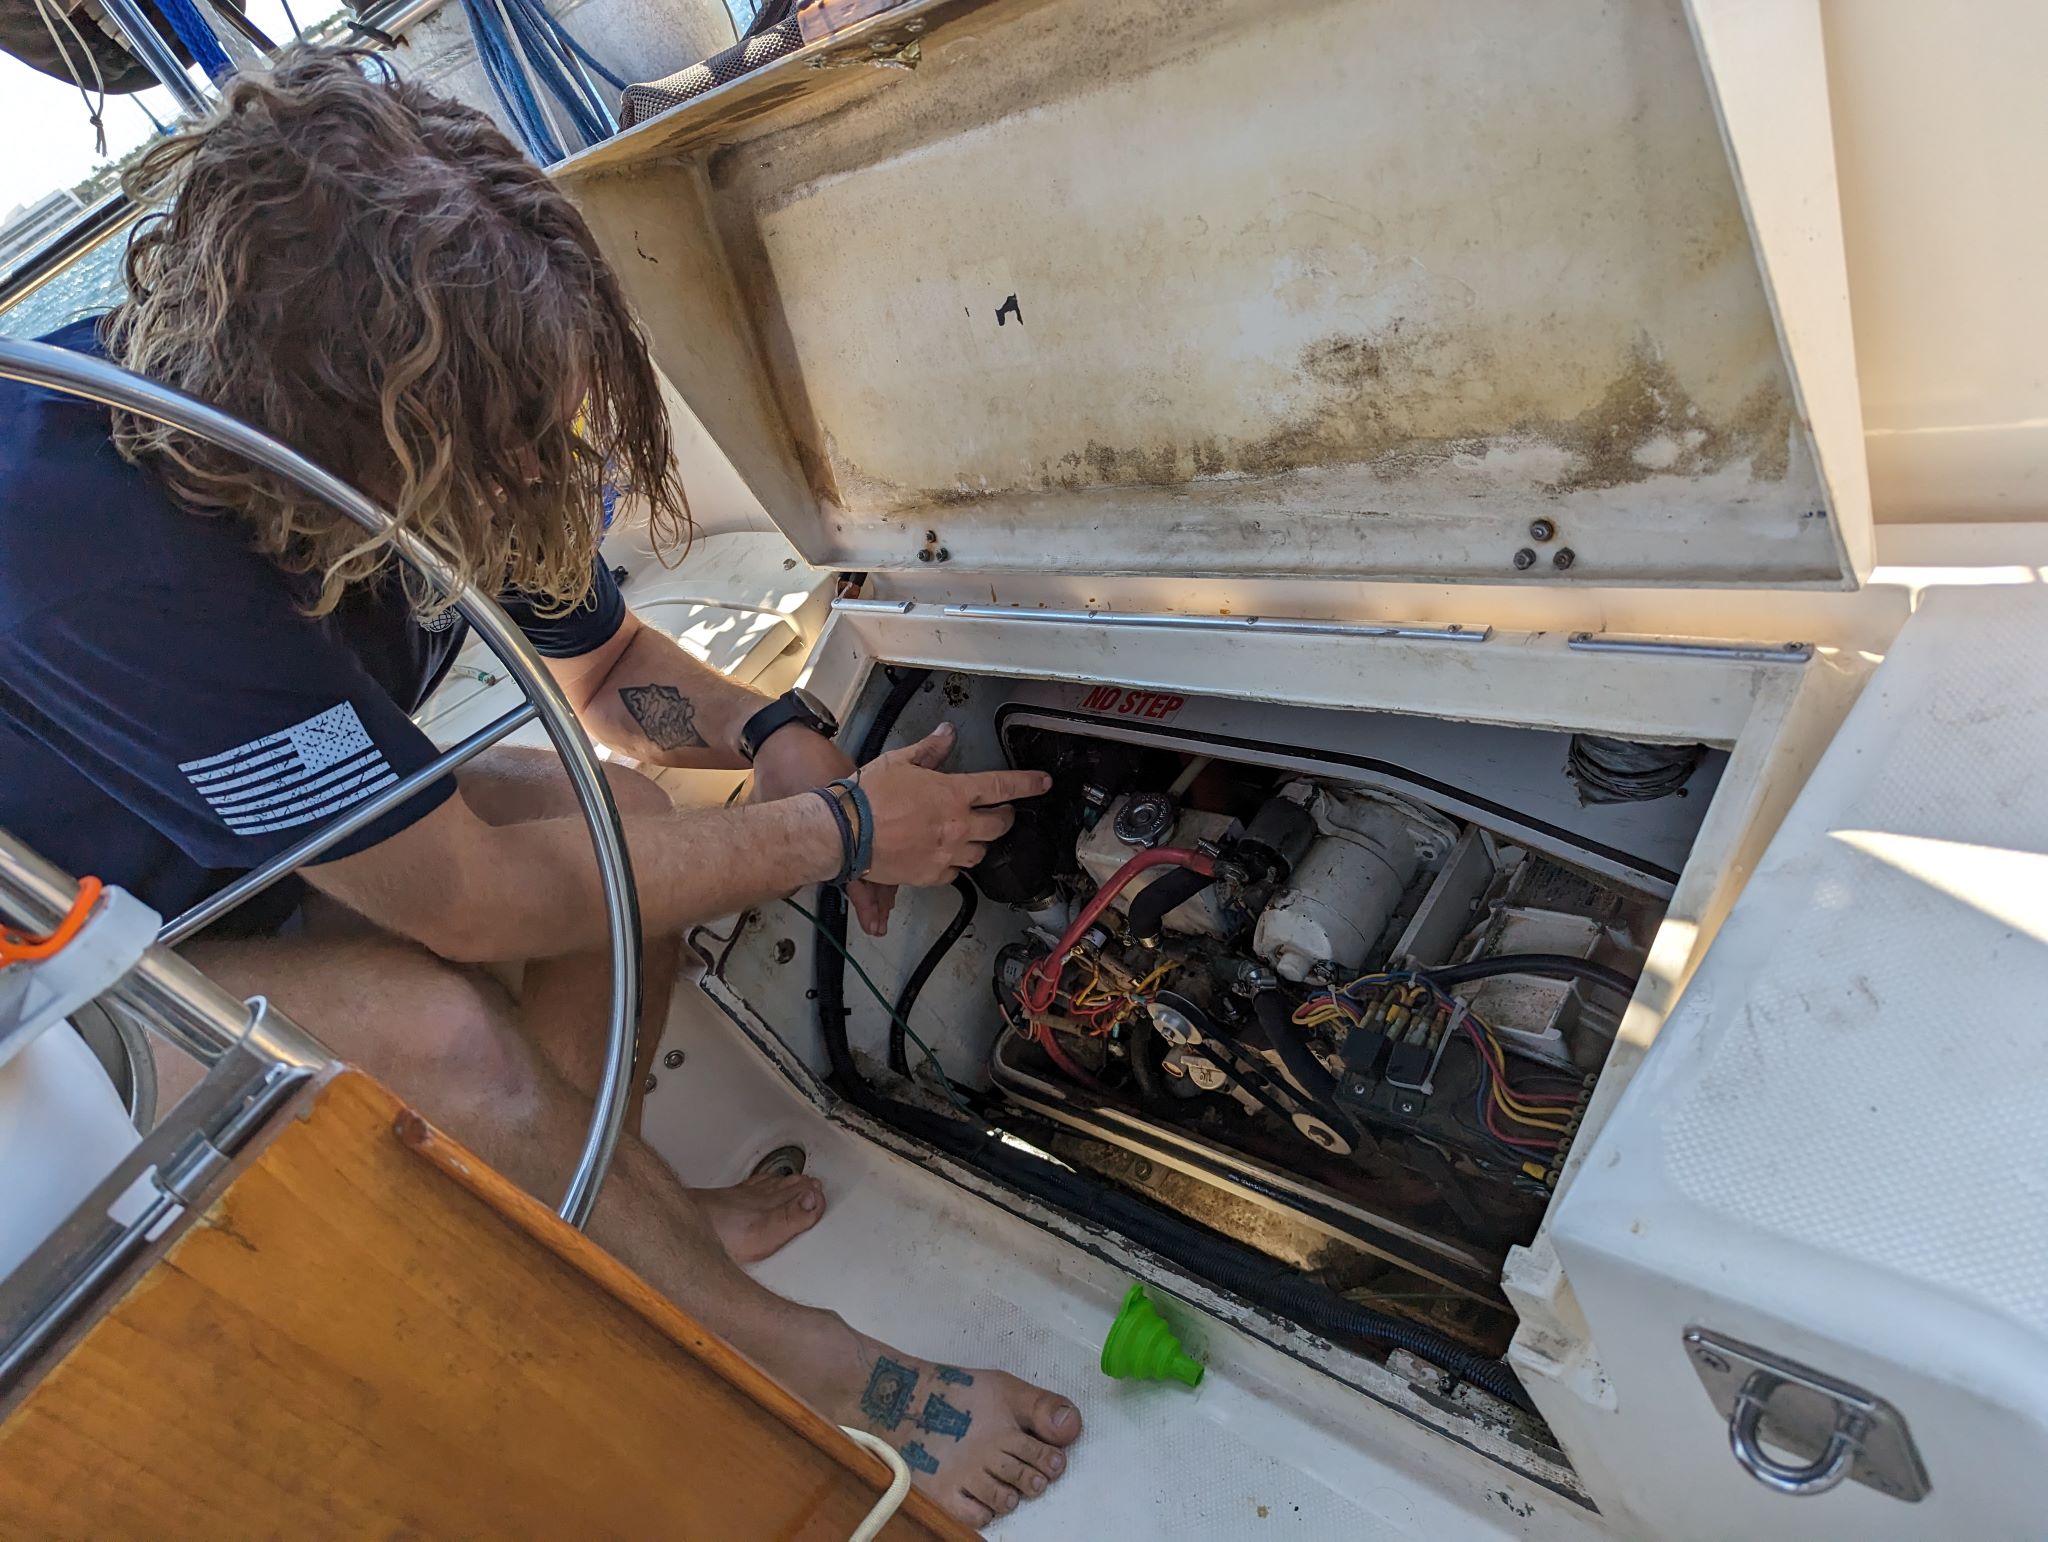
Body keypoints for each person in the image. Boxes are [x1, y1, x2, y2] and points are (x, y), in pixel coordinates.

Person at [0, 48, 1078, 1527]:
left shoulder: (426, 408)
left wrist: (775, 733)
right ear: (371, 427)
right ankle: (813, 1365)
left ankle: (617, 1220)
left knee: (635, 822)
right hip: (77, 941)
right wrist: (835, 829)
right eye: (517, 440)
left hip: (245, 841)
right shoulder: (100, 550)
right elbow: (469, 906)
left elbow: (613, 667)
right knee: (450, 1037)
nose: (549, 466)